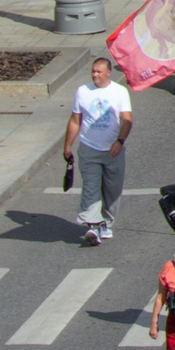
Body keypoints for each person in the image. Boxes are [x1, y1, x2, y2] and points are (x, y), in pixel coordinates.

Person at [65, 53, 134, 245]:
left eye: (99, 72)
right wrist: (67, 147)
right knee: (91, 187)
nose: (94, 75)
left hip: (113, 151)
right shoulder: (82, 91)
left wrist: (119, 141)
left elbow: (127, 120)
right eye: (93, 71)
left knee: (112, 189)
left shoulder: (119, 92)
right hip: (89, 148)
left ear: (108, 74)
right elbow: (75, 120)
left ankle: (107, 223)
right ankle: (93, 225)